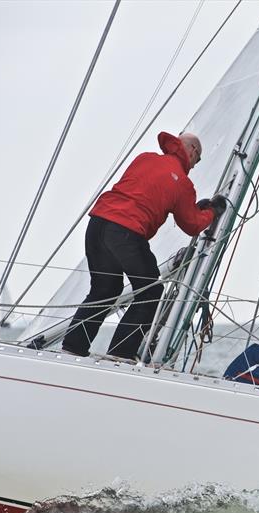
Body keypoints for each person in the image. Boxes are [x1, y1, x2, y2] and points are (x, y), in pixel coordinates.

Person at [61, 131, 226, 360]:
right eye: (197, 161)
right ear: (192, 151)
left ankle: (72, 348)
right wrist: (211, 211)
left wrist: (194, 208)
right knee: (150, 291)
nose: (195, 166)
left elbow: (145, 190)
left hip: (97, 224)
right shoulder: (182, 182)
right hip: (125, 232)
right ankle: (121, 354)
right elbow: (191, 225)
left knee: (105, 289)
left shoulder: (144, 158)